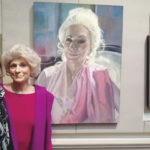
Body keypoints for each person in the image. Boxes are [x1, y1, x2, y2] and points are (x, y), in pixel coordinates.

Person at [36, 7, 120, 124]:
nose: (73, 46)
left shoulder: (103, 76)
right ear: (63, 42)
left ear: (92, 45)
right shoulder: (47, 76)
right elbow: (36, 116)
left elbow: (126, 114)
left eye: (81, 41)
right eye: (69, 40)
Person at [1, 44, 54, 150]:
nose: (17, 70)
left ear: (31, 68)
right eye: (13, 66)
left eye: (23, 65)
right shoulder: (0, 93)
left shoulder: (44, 97)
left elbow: (47, 137)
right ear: (8, 69)